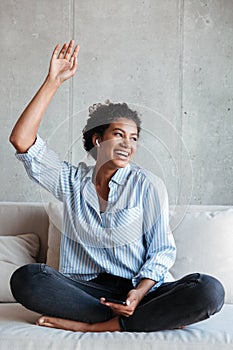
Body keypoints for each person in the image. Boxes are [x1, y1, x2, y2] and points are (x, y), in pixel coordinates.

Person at [9, 40, 225, 333]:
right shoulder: (70, 181)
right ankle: (126, 322)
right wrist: (53, 81)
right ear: (98, 140)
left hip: (138, 292)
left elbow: (161, 251)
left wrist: (138, 293)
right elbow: (22, 140)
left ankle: (98, 326)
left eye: (134, 138)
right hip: (84, 292)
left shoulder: (147, 184)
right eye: (119, 134)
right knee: (27, 278)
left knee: (208, 290)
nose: (128, 144)